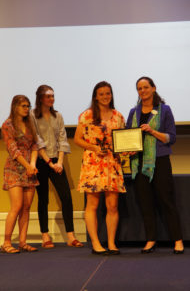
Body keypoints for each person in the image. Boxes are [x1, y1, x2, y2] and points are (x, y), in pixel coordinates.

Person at [126, 76, 184, 254]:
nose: (142, 91)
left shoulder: (164, 110)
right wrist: (129, 149)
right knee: (145, 202)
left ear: (153, 88)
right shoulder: (133, 112)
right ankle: (151, 240)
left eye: (145, 87)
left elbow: (171, 138)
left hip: (160, 160)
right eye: (139, 88)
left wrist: (152, 131)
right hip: (139, 163)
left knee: (167, 201)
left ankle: (178, 241)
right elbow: (128, 137)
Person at [74, 81, 126, 255]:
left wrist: (128, 149)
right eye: (102, 93)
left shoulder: (118, 116)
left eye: (108, 93)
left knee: (112, 205)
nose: (105, 96)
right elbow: (77, 139)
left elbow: (123, 139)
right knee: (93, 205)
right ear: (95, 96)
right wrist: (95, 148)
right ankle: (96, 243)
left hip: (112, 163)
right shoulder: (87, 115)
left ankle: (111, 243)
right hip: (93, 163)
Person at [31, 85, 83, 248]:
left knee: (66, 197)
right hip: (41, 161)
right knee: (43, 199)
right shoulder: (32, 115)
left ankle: (71, 236)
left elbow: (62, 139)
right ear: (40, 98)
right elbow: (36, 140)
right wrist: (49, 163)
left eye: (53, 96)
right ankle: (45, 235)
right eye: (48, 96)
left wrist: (59, 163)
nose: (52, 99)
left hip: (57, 161)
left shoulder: (58, 115)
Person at [1, 95, 38, 254]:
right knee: (16, 206)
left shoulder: (30, 123)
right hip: (15, 169)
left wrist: (33, 165)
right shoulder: (7, 125)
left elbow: (35, 145)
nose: (26, 109)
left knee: (26, 207)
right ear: (15, 106)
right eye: (23, 105)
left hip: (30, 168)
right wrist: (27, 165)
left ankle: (23, 242)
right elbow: (13, 149)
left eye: (28, 106)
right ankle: (6, 242)